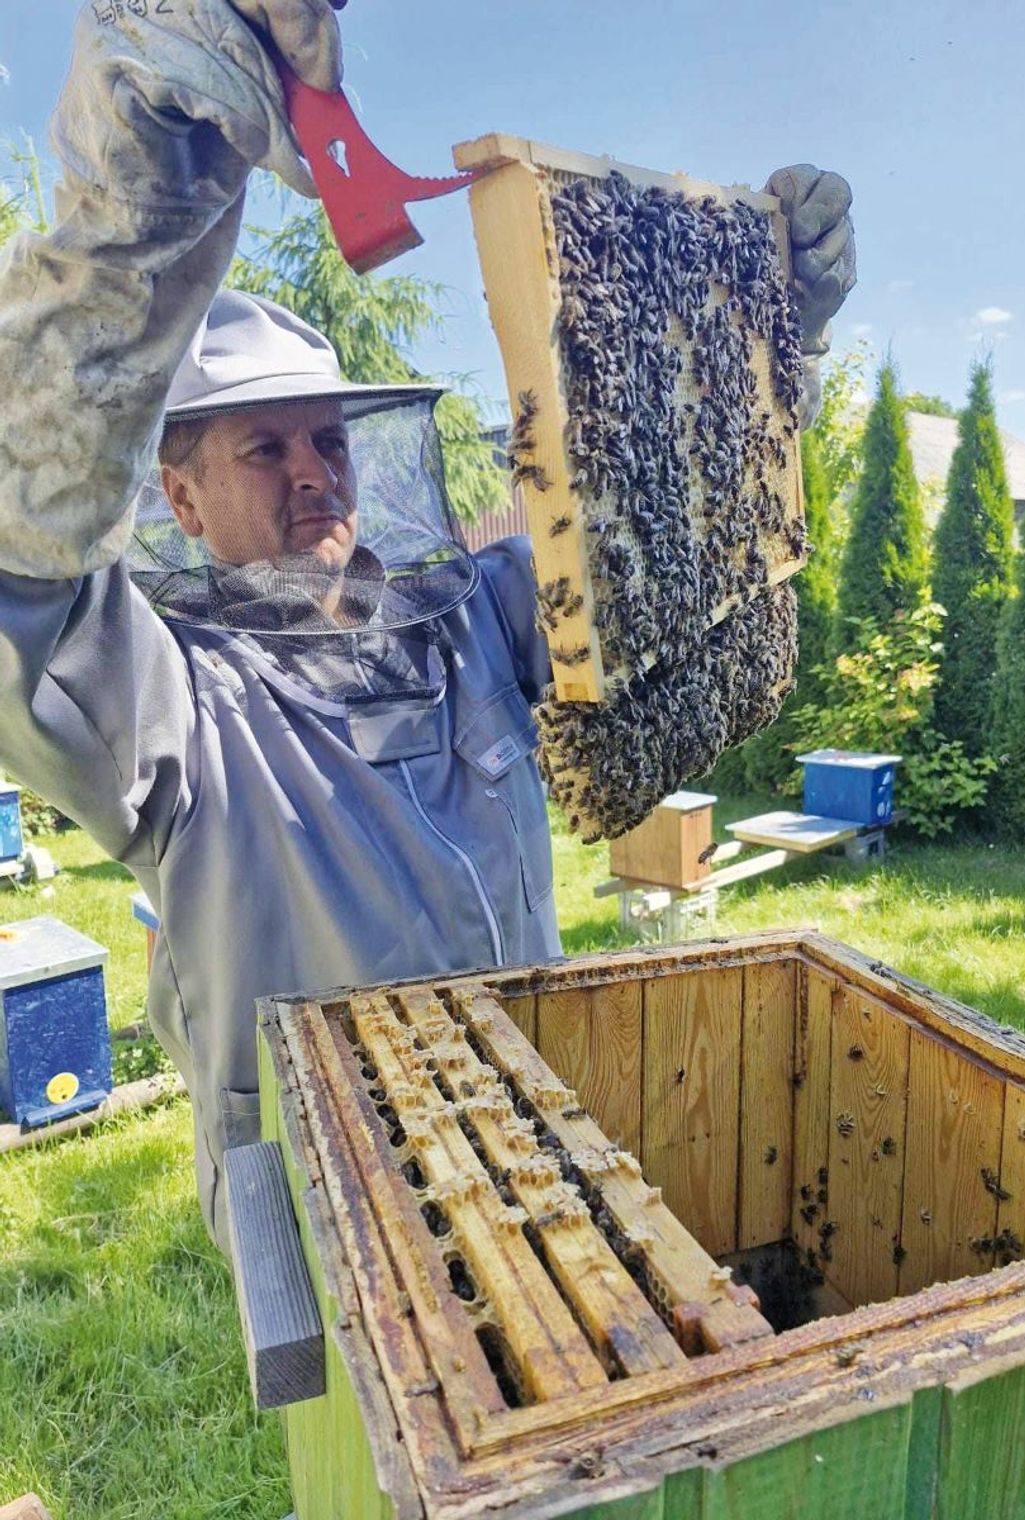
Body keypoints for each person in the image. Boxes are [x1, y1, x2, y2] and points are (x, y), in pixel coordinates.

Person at [0, 0, 856, 1256]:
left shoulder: (473, 614)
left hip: (541, 1136)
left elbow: (655, 521)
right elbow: (24, 558)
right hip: (333, 1217)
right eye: (265, 446)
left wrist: (775, 333)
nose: (315, 474)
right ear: (176, 493)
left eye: (330, 439)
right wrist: (140, 178)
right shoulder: (162, 695)